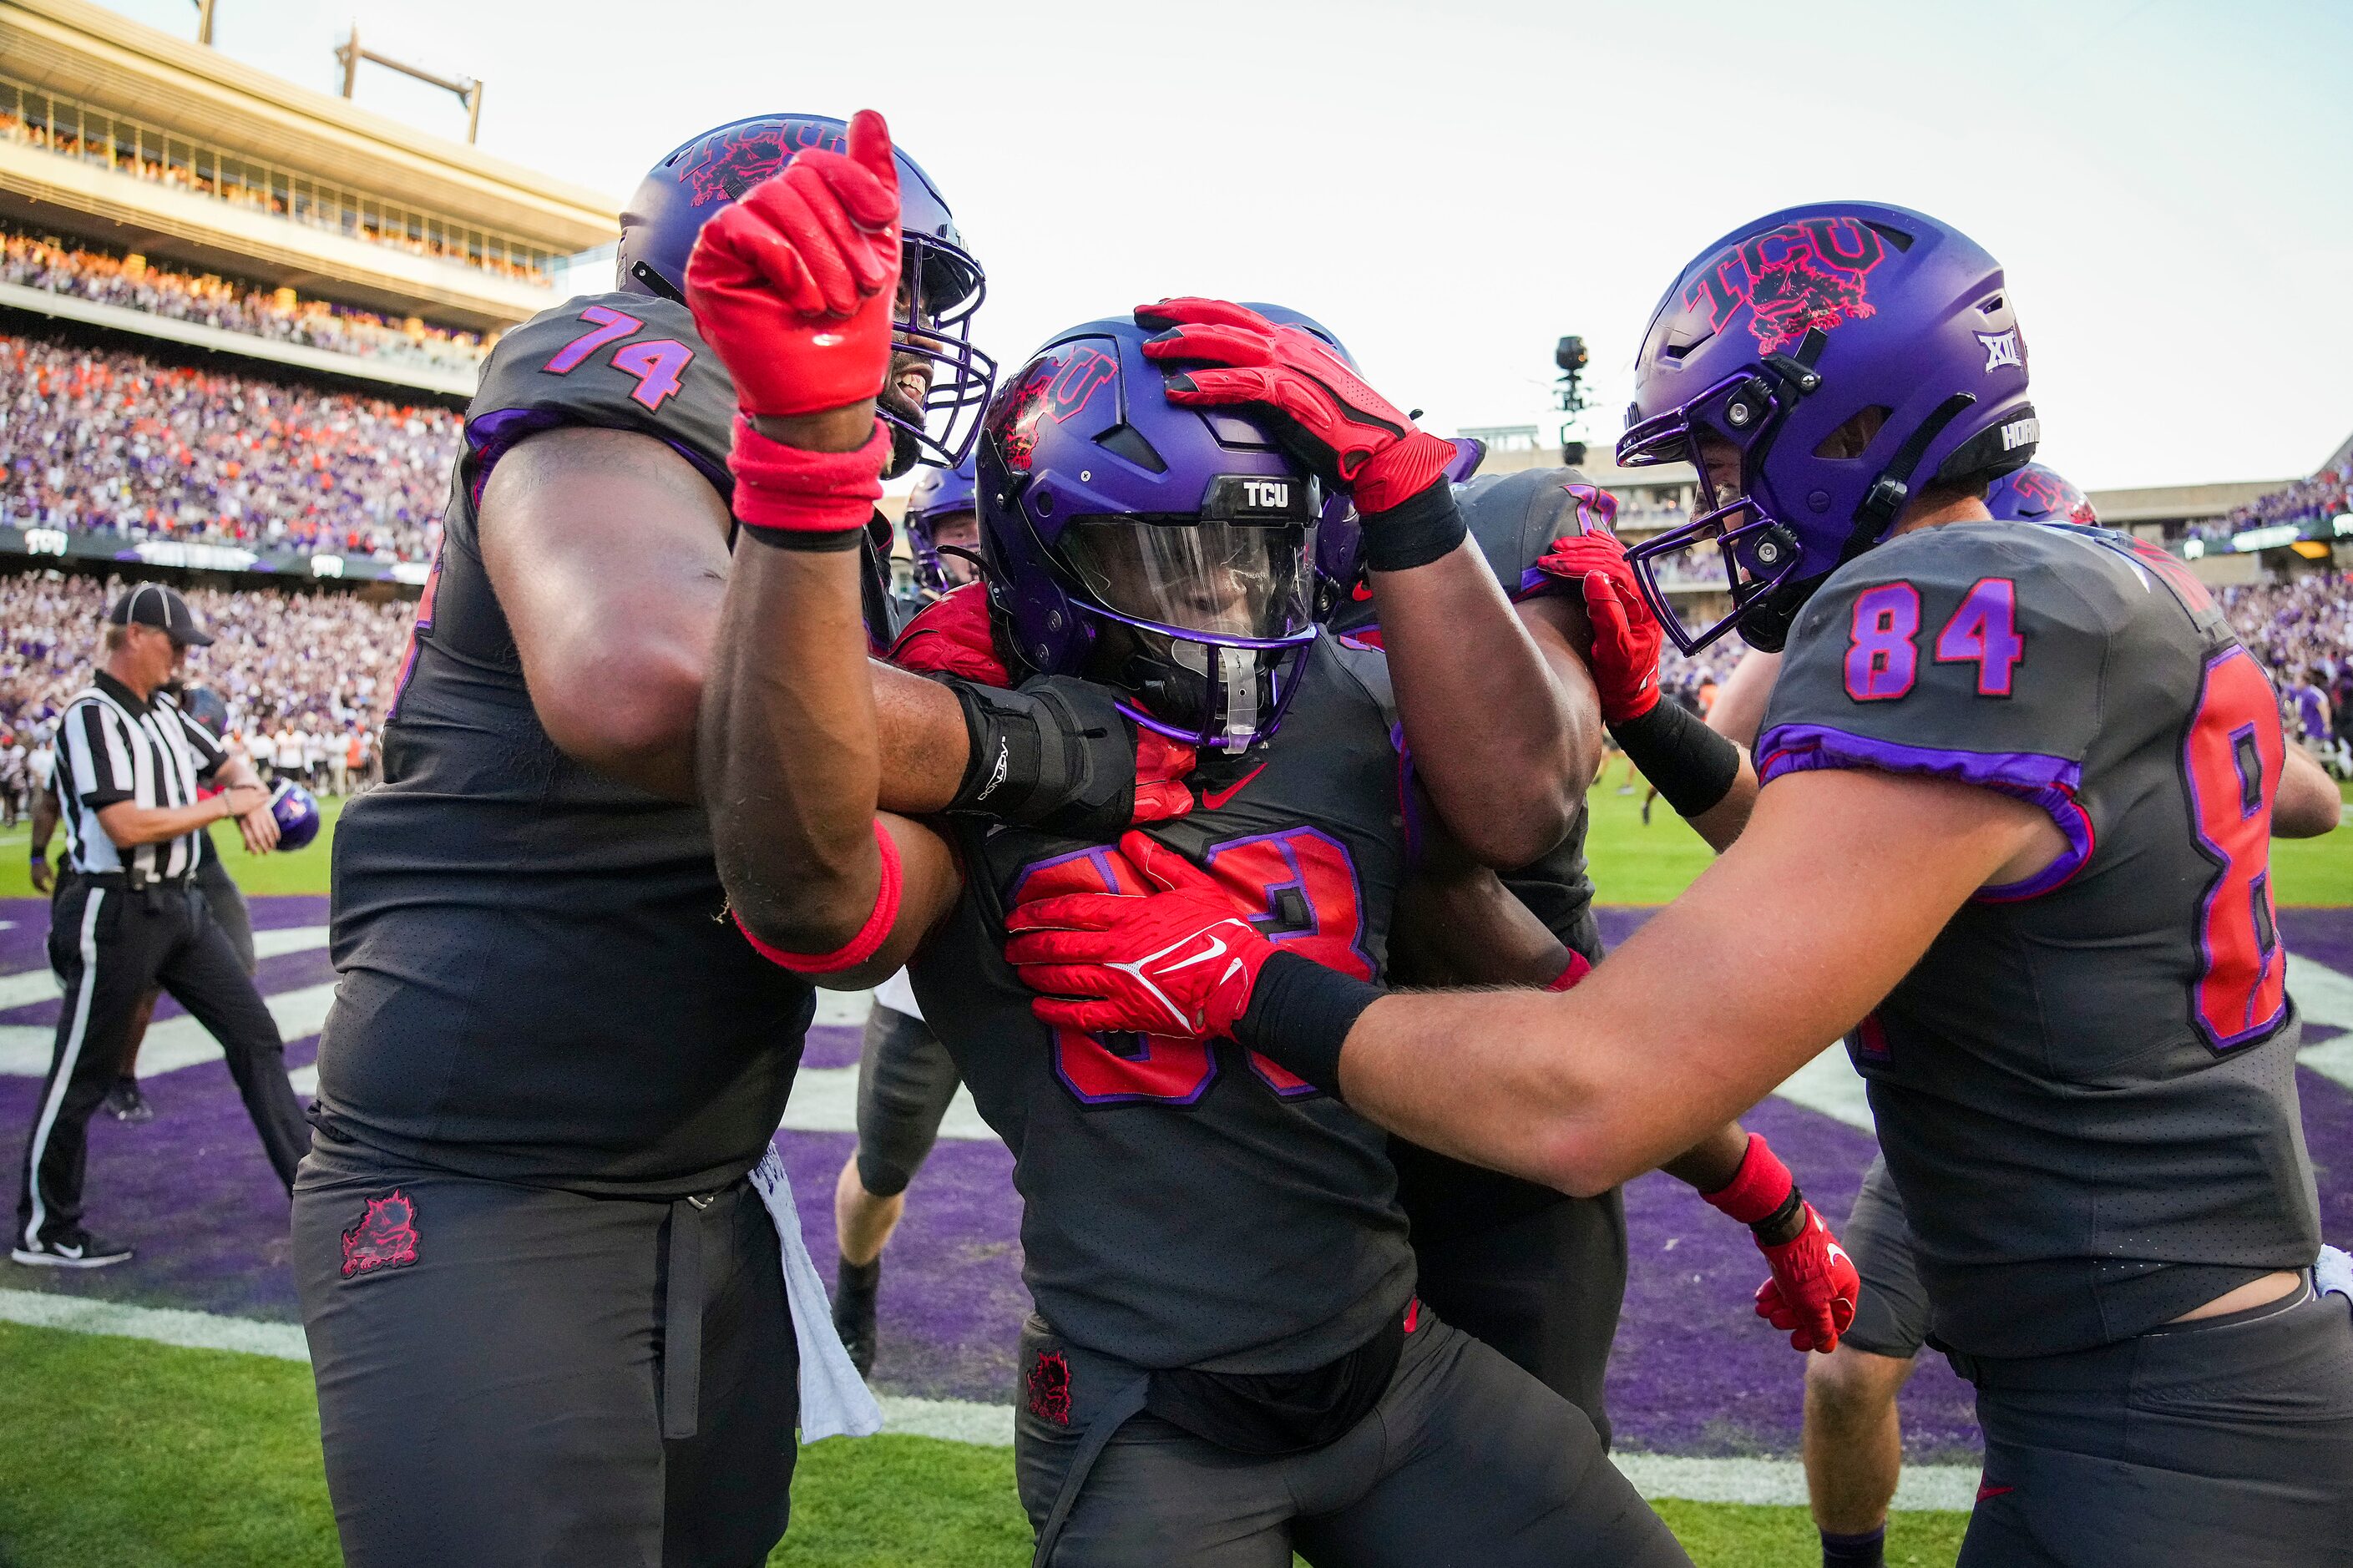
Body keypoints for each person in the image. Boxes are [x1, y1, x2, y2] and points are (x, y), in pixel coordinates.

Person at [1004, 203, 2353, 1567]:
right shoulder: (2097, 581)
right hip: (2173, 1375)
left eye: (1718, 452)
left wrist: (1243, 975)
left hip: (2161, 1430)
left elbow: (1589, 1090)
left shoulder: (1950, 606)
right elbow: (1852, 863)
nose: (1711, 503)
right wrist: (1653, 715)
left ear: (1840, 427)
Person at [686, 220, 1844, 1554]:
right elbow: (814, 902)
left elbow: (1542, 979)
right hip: (1152, 1419)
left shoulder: (1339, 713)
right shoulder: (971, 760)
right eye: (1168, 559)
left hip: (1395, 1364)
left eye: (1256, 554)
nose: (1228, 601)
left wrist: (1769, 1198)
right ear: (1047, 555)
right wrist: (806, 474)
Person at [292, 110, 1175, 1568]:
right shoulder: (614, 358)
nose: (905, 352)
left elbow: (853, 908)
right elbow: (647, 678)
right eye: (882, 298)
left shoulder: (819, 524)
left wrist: (964, 793)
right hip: (493, 1178)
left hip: (707, 1190)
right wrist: (1026, 749)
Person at [1696, 463, 2348, 1568]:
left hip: (2121, 1121)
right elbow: (1735, 738)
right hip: (1970, 1098)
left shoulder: (2131, 666)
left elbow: (2302, 797)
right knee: (1857, 1367)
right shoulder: (1961, 682)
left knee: (2104, 1391)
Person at [1328, 459, 1852, 1434]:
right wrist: (1772, 1203)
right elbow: (1570, 1027)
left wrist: (1643, 708)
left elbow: (1779, 842)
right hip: (1431, 1153)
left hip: (1395, 1154)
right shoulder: (1386, 776)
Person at [13, 584, 301, 1268]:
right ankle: (46, 1228)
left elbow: (229, 760)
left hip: (180, 907)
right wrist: (227, 804)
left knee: (255, 1035)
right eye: (174, 645)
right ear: (136, 635)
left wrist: (248, 791)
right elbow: (126, 823)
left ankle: (310, 1189)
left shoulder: (166, 715)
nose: (180, 661)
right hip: (115, 907)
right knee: (83, 1072)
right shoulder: (89, 717)